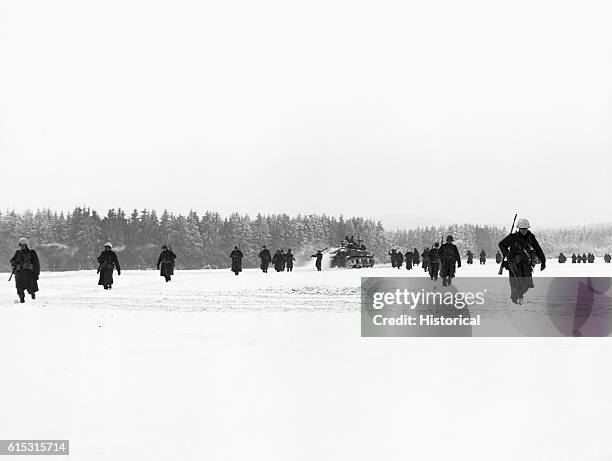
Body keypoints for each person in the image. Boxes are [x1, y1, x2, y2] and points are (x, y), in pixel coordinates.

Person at [498, 218, 546, 305]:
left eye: (525, 229)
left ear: (528, 228)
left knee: (527, 283)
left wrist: (543, 261)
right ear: (519, 229)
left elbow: (538, 249)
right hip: (514, 263)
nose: (524, 230)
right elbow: (501, 244)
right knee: (515, 282)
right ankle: (516, 299)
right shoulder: (512, 237)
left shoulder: (531, 237)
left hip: (526, 264)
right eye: (522, 229)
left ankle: (518, 296)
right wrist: (508, 254)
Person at [9, 237, 40, 303]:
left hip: (29, 273)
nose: (21, 247)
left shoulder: (32, 253)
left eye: (23, 245)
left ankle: (33, 298)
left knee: (31, 288)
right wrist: (15, 264)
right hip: (20, 274)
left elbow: (36, 264)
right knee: (19, 288)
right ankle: (22, 299)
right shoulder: (18, 253)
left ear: (26, 245)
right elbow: (12, 260)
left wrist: (36, 273)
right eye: (20, 245)